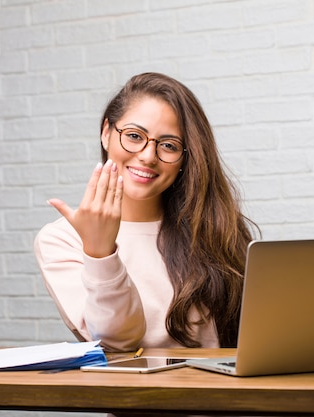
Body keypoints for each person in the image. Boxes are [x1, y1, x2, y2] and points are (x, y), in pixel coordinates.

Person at [34, 72, 258, 352]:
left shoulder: (215, 227)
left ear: (185, 158)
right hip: (129, 393)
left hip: (219, 392)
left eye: (168, 145)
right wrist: (100, 252)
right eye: (134, 136)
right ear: (106, 133)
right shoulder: (61, 239)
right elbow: (117, 341)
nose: (148, 156)